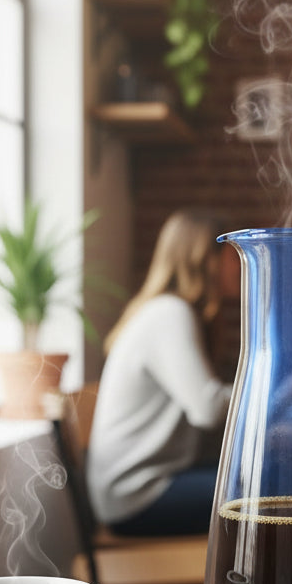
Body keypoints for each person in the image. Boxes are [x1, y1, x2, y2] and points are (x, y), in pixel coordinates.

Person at [87, 210, 234, 537]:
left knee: (261, 479)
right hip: (136, 497)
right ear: (204, 259)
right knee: (265, 490)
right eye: (231, 256)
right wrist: (272, 391)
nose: (239, 265)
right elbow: (207, 409)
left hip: (146, 486)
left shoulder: (168, 312)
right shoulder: (170, 314)